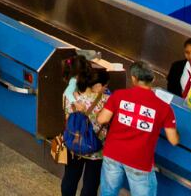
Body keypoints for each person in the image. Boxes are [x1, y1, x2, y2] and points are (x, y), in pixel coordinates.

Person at [96, 61, 179, 194]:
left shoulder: (118, 95)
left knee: (108, 192)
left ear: (133, 78)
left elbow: (102, 119)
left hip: (113, 153)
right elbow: (173, 140)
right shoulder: (164, 107)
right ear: (153, 79)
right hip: (139, 160)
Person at [60, 52, 109, 196]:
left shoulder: (69, 96)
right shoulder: (105, 100)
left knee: (70, 179)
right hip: (96, 148)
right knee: (90, 184)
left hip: (74, 143)